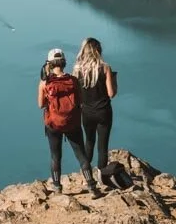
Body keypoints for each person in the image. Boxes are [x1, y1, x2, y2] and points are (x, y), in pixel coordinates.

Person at [38, 48, 100, 196]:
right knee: (81, 155)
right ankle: (92, 186)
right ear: (64, 63)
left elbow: (40, 104)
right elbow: (80, 100)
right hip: (73, 123)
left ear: (50, 64)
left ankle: (57, 187)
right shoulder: (73, 80)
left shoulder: (45, 83)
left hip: (53, 123)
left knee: (55, 156)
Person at [73, 37, 118, 185]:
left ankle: (87, 175)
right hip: (103, 111)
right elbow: (111, 93)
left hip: (86, 112)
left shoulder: (77, 70)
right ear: (98, 51)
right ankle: (102, 177)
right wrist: (114, 79)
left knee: (89, 141)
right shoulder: (105, 68)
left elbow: (75, 94)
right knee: (103, 146)